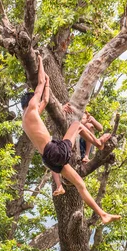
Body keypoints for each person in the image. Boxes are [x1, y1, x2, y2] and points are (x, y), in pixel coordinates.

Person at [21, 56, 121, 225]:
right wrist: (39, 61)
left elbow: (45, 99)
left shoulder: (27, 118)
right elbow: (38, 86)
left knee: (80, 183)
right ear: (30, 101)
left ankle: (102, 214)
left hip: (48, 159)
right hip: (54, 150)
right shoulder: (31, 107)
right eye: (34, 100)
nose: (37, 103)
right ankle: (98, 143)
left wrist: (48, 81)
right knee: (77, 124)